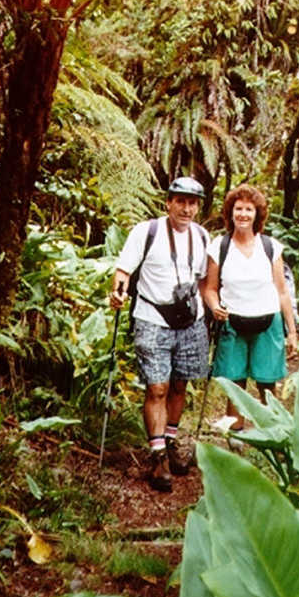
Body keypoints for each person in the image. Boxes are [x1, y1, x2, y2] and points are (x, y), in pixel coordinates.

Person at [109, 176, 210, 492]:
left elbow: (206, 280)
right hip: (153, 317)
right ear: (168, 203)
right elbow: (124, 271)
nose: (186, 208)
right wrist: (118, 292)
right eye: (180, 201)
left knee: (180, 384)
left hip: (191, 320)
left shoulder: (203, 236)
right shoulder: (146, 232)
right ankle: (157, 458)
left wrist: (216, 309)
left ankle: (169, 443)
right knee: (157, 388)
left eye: (192, 202)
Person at [204, 184, 297, 430]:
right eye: (238, 209)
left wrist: (292, 331)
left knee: (267, 382)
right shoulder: (219, 247)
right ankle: (236, 435)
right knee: (235, 384)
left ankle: (274, 432)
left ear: (257, 214)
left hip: (268, 322)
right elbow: (209, 288)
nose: (243, 214)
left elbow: (282, 291)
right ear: (230, 212)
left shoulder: (270, 247)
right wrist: (215, 307)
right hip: (232, 323)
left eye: (249, 209)